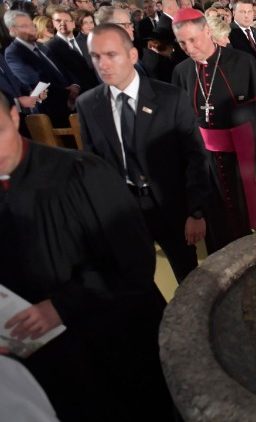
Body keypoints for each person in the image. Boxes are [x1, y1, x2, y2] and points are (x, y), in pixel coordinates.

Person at [0, 91, 174, 421]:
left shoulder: (82, 174)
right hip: (48, 364)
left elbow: (135, 262)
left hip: (114, 347)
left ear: (13, 116)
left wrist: (61, 306)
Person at [77, 24, 212, 282]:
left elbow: (195, 157)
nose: (102, 64)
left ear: (132, 56)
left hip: (171, 206)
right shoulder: (88, 104)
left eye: (111, 55)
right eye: (95, 56)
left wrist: (196, 211)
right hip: (123, 210)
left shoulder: (171, 98)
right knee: (134, 280)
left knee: (188, 278)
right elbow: (94, 164)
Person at [172, 8, 256, 242]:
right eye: (181, 43)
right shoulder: (181, 71)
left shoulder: (242, 61)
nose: (189, 48)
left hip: (244, 156)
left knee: (252, 216)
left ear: (208, 32)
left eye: (193, 40)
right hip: (205, 161)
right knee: (218, 224)